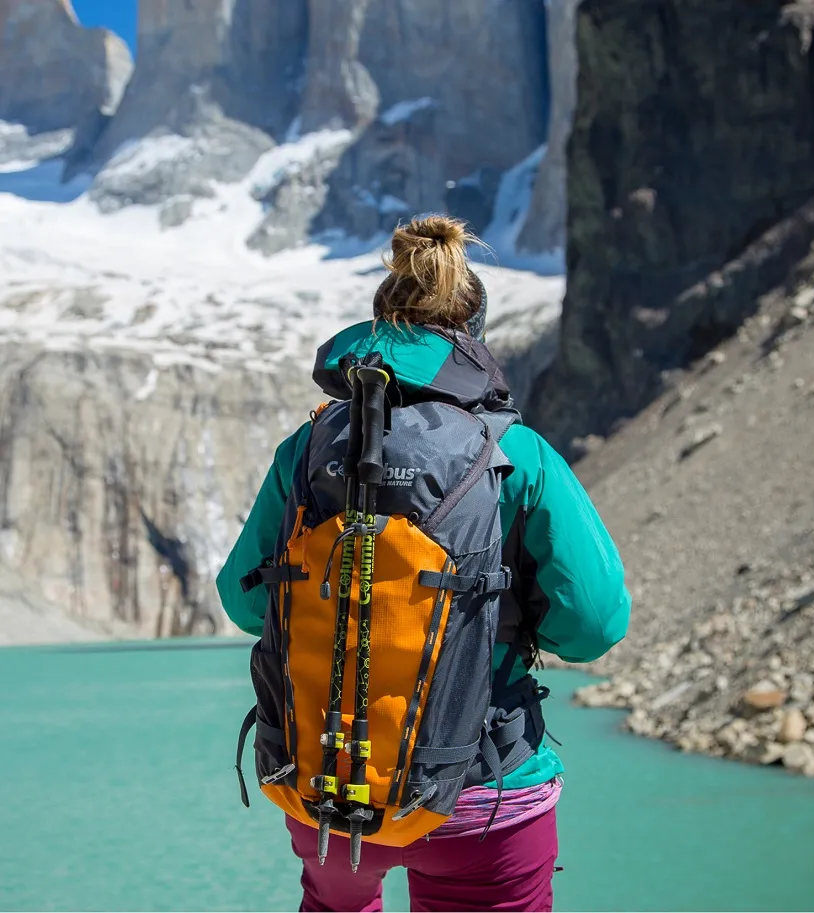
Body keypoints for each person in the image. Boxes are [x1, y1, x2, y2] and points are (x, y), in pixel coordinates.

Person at [217, 215, 631, 913]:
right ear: (472, 330)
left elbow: (244, 598)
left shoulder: (310, 445)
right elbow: (592, 625)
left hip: (330, 782)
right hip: (483, 783)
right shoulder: (515, 453)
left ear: (379, 322)